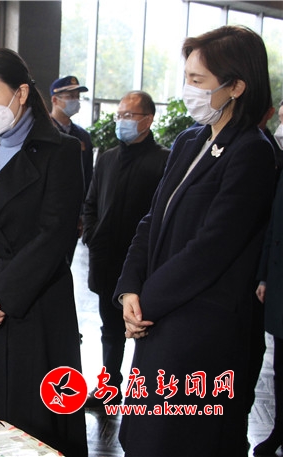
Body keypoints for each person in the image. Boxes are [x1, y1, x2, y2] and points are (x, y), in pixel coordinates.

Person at [114, 25, 275, 456]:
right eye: (187, 77)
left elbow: (212, 248)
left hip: (203, 331)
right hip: (159, 317)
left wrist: (147, 302)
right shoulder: (190, 140)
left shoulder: (253, 151)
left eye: (198, 80)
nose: (188, 89)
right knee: (144, 438)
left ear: (236, 86)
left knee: (184, 442)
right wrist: (129, 288)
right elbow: (152, 219)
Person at [0, 48, 87, 455]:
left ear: (21, 93)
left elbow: (54, 236)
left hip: (34, 304)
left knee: (34, 424)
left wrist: (0, 297)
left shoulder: (61, 151)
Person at [83, 90, 169, 407]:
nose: (122, 121)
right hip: (106, 259)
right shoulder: (107, 158)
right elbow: (90, 203)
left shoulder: (164, 160)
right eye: (119, 115)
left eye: (129, 116)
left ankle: (144, 392)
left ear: (148, 119)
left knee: (146, 329)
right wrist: (91, 235)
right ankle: (110, 387)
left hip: (144, 265)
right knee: (110, 329)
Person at [254, 103, 283, 456]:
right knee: (279, 368)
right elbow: (272, 228)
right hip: (277, 283)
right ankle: (279, 428)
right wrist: (263, 276)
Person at [50, 75, 94, 263]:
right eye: (70, 96)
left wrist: (83, 214)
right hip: (47, 214)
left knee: (65, 263)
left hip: (72, 215)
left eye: (77, 96)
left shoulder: (82, 136)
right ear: (55, 100)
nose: (75, 101)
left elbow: (87, 177)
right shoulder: (43, 131)